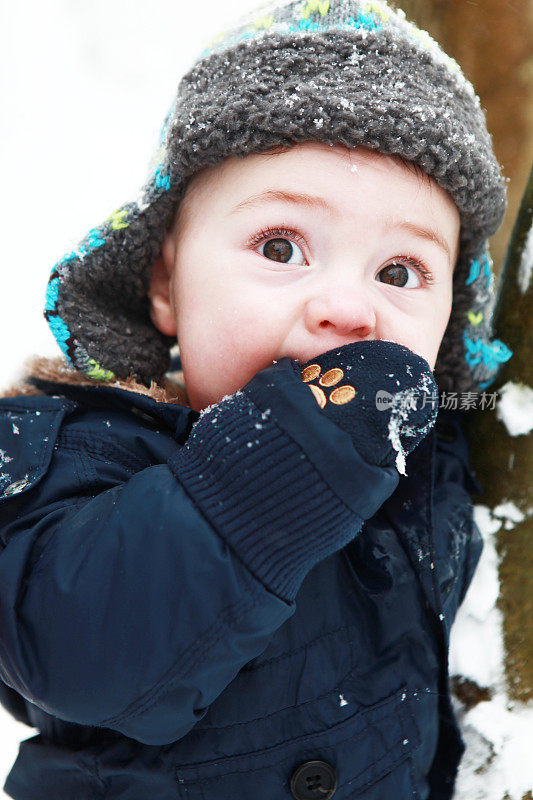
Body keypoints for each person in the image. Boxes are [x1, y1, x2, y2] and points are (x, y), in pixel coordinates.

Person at [0, 1, 512, 798]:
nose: (348, 307)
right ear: (165, 284)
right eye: (281, 247)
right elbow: (74, 654)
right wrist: (289, 463)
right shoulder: (86, 450)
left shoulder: (432, 466)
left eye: (399, 272)